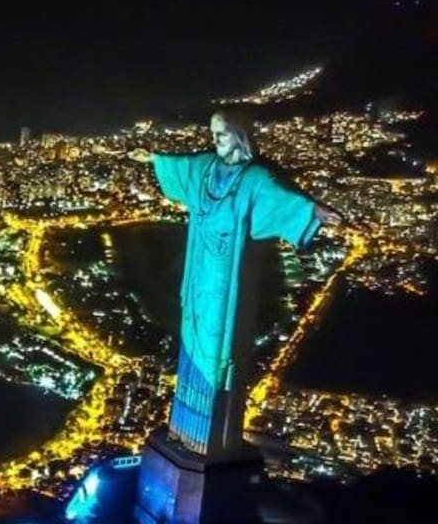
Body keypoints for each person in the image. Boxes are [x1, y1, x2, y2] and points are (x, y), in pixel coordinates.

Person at [129, 110, 340, 456]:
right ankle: (184, 432)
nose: (215, 140)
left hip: (227, 282)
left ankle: (210, 439)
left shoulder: (253, 178)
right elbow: (181, 165)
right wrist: (152, 157)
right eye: (213, 133)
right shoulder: (205, 169)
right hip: (198, 274)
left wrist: (314, 211)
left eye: (222, 134)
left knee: (217, 349)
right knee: (192, 343)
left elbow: (282, 196)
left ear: (240, 136)